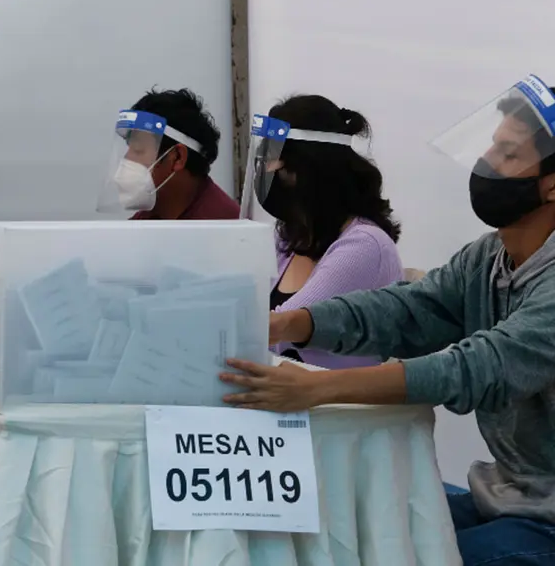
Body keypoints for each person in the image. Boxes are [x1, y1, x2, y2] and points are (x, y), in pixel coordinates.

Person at [221, 76, 555, 565]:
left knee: (409, 553)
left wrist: (321, 389)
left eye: (507, 156)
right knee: (356, 527)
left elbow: (476, 368)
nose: (485, 167)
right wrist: (293, 323)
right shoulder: (487, 258)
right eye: (490, 150)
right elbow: (407, 308)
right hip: (504, 495)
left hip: (544, 520)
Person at [0, 88, 239, 302]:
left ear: (177, 159)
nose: (126, 165)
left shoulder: (220, 231)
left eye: (138, 151)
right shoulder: (153, 216)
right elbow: (86, 275)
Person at [244, 95, 403, 368]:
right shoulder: (288, 237)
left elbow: (277, 329)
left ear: (308, 167)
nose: (265, 172)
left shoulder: (364, 245)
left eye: (273, 161)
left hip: (337, 407)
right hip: (284, 399)